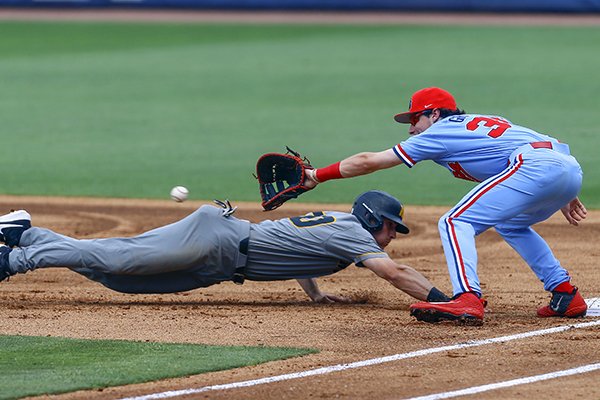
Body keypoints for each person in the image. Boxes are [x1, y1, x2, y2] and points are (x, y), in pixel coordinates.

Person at [304, 87, 588, 323]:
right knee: (510, 224)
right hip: (563, 166)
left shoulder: (441, 132)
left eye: (416, 119)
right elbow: (539, 145)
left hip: (536, 167)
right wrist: (562, 190)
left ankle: (467, 298)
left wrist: (317, 175)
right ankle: (564, 293)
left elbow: (370, 161)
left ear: (435, 114)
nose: (413, 128)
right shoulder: (486, 121)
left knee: (455, 221)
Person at [0, 191, 450, 304]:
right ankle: (14, 259)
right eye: (392, 229)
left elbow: (298, 251)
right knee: (118, 257)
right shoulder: (354, 233)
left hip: (221, 259)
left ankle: (28, 234)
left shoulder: (342, 227)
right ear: (373, 220)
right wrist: (443, 301)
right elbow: (394, 274)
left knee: (120, 280)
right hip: (216, 241)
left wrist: (314, 293)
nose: (392, 237)